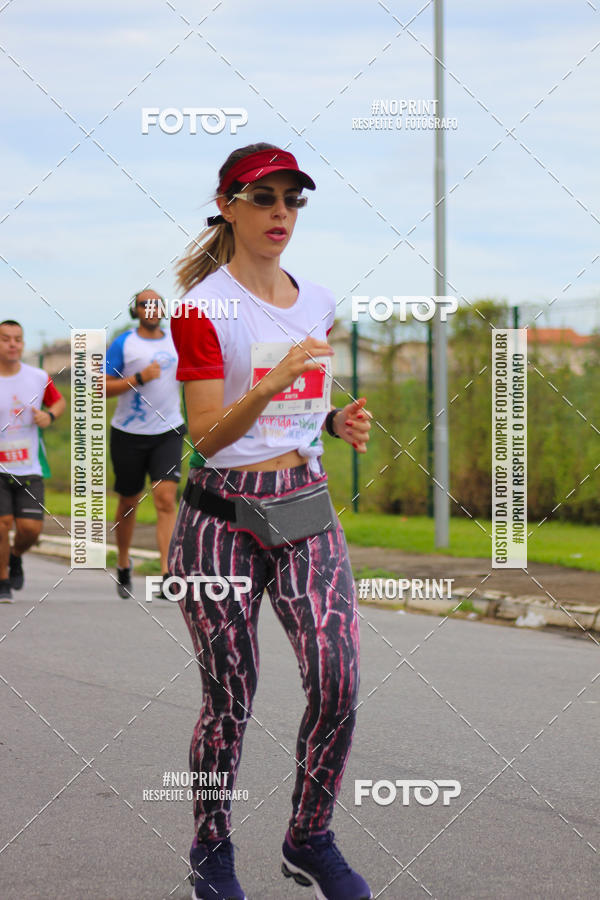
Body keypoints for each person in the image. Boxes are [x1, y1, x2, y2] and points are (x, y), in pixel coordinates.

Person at [169, 144, 373, 900]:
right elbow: (207, 436)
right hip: (220, 520)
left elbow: (301, 406)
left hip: (304, 509)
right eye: (263, 198)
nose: (280, 212)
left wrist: (334, 420)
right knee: (230, 698)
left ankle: (309, 835)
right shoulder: (200, 309)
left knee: (339, 681)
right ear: (228, 207)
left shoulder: (316, 299)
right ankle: (211, 847)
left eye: (292, 199)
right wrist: (271, 382)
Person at [105, 290, 185, 598]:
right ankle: (124, 562)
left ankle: (167, 573)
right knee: (129, 501)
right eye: (144, 304)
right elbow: (101, 388)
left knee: (166, 498)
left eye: (156, 304)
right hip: (128, 433)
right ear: (135, 310)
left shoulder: (177, 339)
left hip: (168, 430)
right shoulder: (124, 343)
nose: (151, 309)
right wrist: (138, 378)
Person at [0, 320, 65, 601]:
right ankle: (3, 580)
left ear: (23, 343)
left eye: (17, 339)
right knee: (2, 524)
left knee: (30, 529)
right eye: (5, 339)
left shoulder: (37, 377)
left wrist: (49, 416)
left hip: (30, 466)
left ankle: (15, 556)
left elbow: (58, 402)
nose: (12, 344)